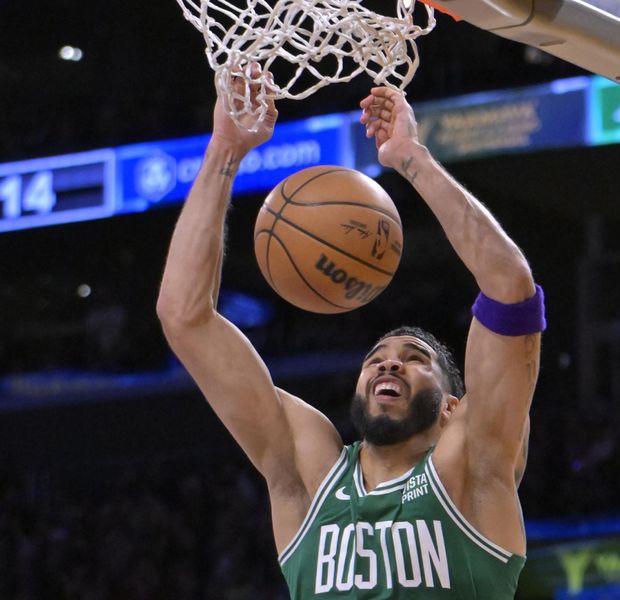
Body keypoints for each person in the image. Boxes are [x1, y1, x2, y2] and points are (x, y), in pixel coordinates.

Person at [157, 67, 545, 598]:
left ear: (454, 405)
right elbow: (184, 317)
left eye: (414, 358)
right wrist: (225, 149)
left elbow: (510, 289)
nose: (387, 363)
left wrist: (411, 159)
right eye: (376, 358)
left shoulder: (474, 465)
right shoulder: (309, 468)